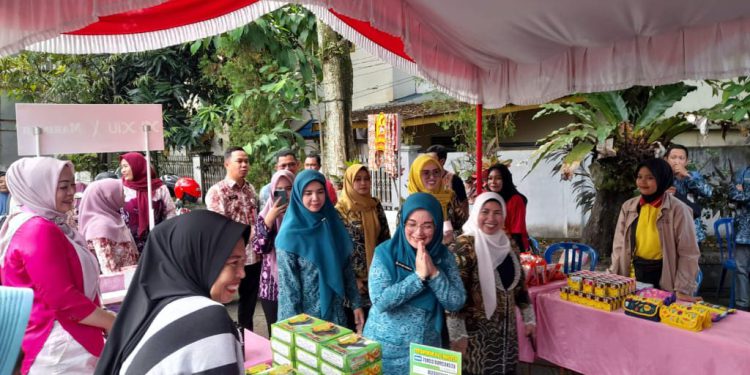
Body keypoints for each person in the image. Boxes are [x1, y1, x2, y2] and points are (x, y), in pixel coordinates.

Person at [94, 210, 251, 374]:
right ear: (196, 258)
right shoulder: (205, 316)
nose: (242, 273)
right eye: (233, 263)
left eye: (243, 262)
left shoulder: (154, 312)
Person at [0, 157, 114, 374]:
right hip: (61, 346)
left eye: (73, 184)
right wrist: (112, 321)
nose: (71, 192)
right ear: (38, 188)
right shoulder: (39, 229)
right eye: (63, 187)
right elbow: (64, 299)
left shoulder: (28, 223)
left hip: (56, 341)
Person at [363, 193, 466, 374]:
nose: (419, 233)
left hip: (426, 352)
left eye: (427, 226)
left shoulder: (443, 256)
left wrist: (434, 273)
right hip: (386, 352)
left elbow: (456, 301)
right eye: (412, 224)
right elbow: (380, 301)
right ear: (402, 224)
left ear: (436, 226)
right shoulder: (385, 253)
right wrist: (418, 277)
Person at [448, 192, 535, 374]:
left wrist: (529, 318)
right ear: (476, 213)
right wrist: (457, 335)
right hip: (474, 342)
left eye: (497, 213)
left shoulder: (508, 244)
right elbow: (453, 296)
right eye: (485, 211)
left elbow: (520, 288)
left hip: (506, 338)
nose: (491, 218)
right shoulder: (464, 246)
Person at [276, 170, 364, 330]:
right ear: (298, 195)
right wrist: (290, 332)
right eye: (308, 193)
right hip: (306, 323)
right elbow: (288, 291)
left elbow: (346, 269)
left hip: (337, 316)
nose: (315, 198)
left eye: (320, 192)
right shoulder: (288, 237)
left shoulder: (332, 224)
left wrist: (356, 304)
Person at [609, 158, 700, 300]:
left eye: (650, 178)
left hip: (665, 273)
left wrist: (683, 288)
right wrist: (613, 274)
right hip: (635, 271)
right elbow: (619, 245)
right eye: (639, 177)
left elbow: (688, 253)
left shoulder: (679, 210)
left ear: (662, 179)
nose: (642, 182)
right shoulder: (629, 207)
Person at [205, 146, 260, 332]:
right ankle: (221, 333)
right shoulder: (217, 192)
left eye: (246, 161)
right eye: (239, 161)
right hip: (229, 258)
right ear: (227, 163)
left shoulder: (250, 189)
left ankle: (247, 336)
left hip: (253, 256)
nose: (244, 165)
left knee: (249, 304)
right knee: (221, 300)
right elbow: (217, 227)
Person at [335, 164, 391, 329]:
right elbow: (337, 250)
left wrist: (385, 273)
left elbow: (386, 240)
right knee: (353, 328)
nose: (363, 183)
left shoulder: (375, 206)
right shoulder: (340, 211)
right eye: (357, 179)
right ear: (349, 182)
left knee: (375, 326)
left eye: (366, 179)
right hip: (353, 281)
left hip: (376, 276)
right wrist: (352, 279)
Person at [253, 169, 294, 334]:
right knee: (276, 334)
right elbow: (259, 248)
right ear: (272, 191)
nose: (285, 193)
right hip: (271, 285)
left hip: (296, 282)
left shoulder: (302, 215)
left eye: (289, 188)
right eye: (279, 189)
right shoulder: (265, 216)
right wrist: (270, 220)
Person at [78, 179, 139, 275]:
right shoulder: (100, 228)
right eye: (121, 192)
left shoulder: (114, 220)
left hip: (129, 280)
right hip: (118, 286)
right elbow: (109, 270)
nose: (124, 195)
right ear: (108, 197)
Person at [119, 152, 176, 252]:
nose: (122, 170)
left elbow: (170, 212)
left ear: (137, 166)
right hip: (129, 243)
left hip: (157, 241)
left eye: (125, 166)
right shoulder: (121, 188)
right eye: (121, 167)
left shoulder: (159, 188)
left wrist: (165, 233)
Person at [407, 154, 466, 244]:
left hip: (449, 253)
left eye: (436, 172)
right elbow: (404, 236)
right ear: (416, 175)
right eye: (426, 173)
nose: (432, 177)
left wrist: (451, 236)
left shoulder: (450, 198)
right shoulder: (410, 204)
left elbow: (464, 227)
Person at [663, 144, 713, 243]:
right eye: (673, 157)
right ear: (666, 159)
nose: (677, 161)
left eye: (681, 158)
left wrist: (687, 175)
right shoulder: (660, 177)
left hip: (692, 231)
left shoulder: (693, 176)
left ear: (686, 161)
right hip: (668, 232)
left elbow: (708, 192)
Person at [486, 163, 530, 251]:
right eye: (490, 178)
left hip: (511, 245)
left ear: (506, 179)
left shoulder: (515, 200)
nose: (493, 182)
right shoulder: (488, 197)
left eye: (498, 178)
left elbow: (516, 232)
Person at [426, 145, 469, 225]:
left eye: (431, 160)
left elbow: (463, 205)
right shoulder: (424, 179)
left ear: (442, 161)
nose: (427, 163)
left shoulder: (454, 180)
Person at [730, 164, 750, 310]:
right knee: (741, 269)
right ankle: (742, 305)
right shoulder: (742, 172)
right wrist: (739, 194)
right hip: (743, 233)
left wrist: (743, 194)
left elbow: (741, 197)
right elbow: (732, 195)